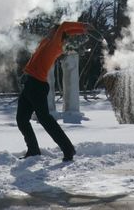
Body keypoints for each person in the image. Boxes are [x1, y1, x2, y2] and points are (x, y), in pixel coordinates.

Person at [16, 20, 88, 161]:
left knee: (45, 120)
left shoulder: (55, 45)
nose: (48, 31)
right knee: (21, 119)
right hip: (30, 83)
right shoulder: (46, 42)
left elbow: (65, 26)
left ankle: (68, 149)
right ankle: (33, 150)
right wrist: (80, 31)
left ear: (57, 34)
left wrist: (82, 26)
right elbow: (66, 31)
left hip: (37, 86)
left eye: (52, 30)